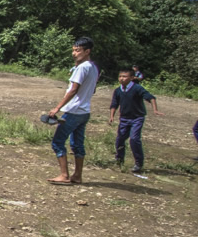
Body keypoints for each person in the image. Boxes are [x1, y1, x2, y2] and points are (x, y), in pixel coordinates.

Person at [46, 37, 100, 185]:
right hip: (84, 111)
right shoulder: (93, 67)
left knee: (57, 142)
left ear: (87, 51)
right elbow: (92, 89)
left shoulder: (82, 68)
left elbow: (73, 90)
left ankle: (64, 175)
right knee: (77, 144)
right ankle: (77, 175)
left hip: (74, 111)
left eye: (78, 50)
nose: (74, 54)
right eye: (73, 50)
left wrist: (57, 107)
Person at [109, 68, 163, 173]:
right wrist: (111, 116)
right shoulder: (118, 90)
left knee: (134, 139)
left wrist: (155, 110)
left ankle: (139, 163)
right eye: (120, 76)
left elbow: (151, 98)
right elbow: (114, 104)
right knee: (120, 139)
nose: (121, 79)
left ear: (132, 78)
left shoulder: (137, 88)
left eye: (124, 76)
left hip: (137, 118)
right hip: (124, 119)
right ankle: (119, 159)